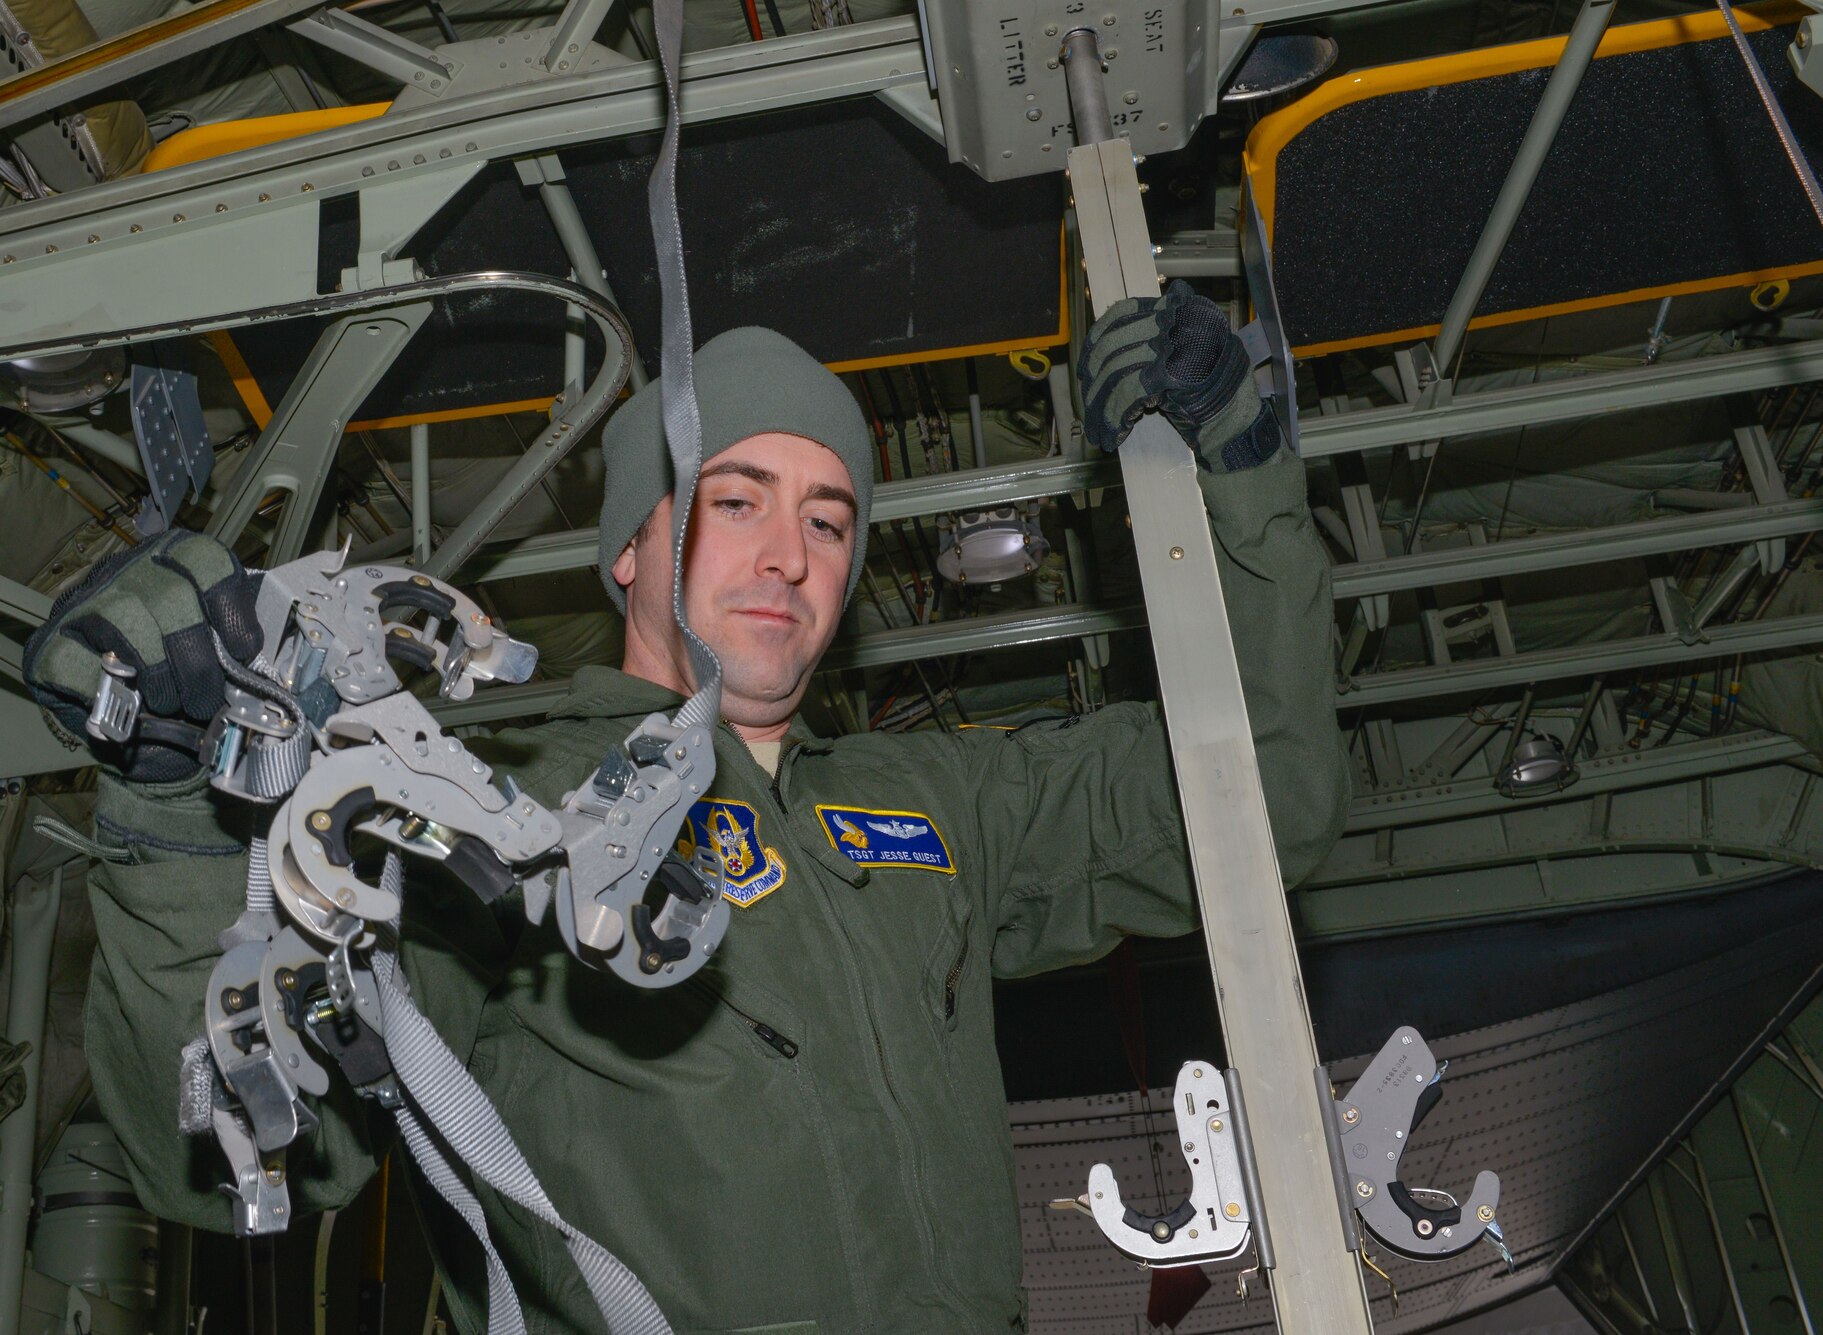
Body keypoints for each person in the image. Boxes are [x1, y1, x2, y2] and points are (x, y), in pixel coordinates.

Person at [25, 287, 1348, 1334]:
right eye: (735, 503)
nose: (789, 552)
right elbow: (251, 1149)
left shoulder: (939, 798)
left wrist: (1235, 484)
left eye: (829, 521)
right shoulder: (489, 809)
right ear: (631, 549)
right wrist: (173, 826)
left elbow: (1261, 801)